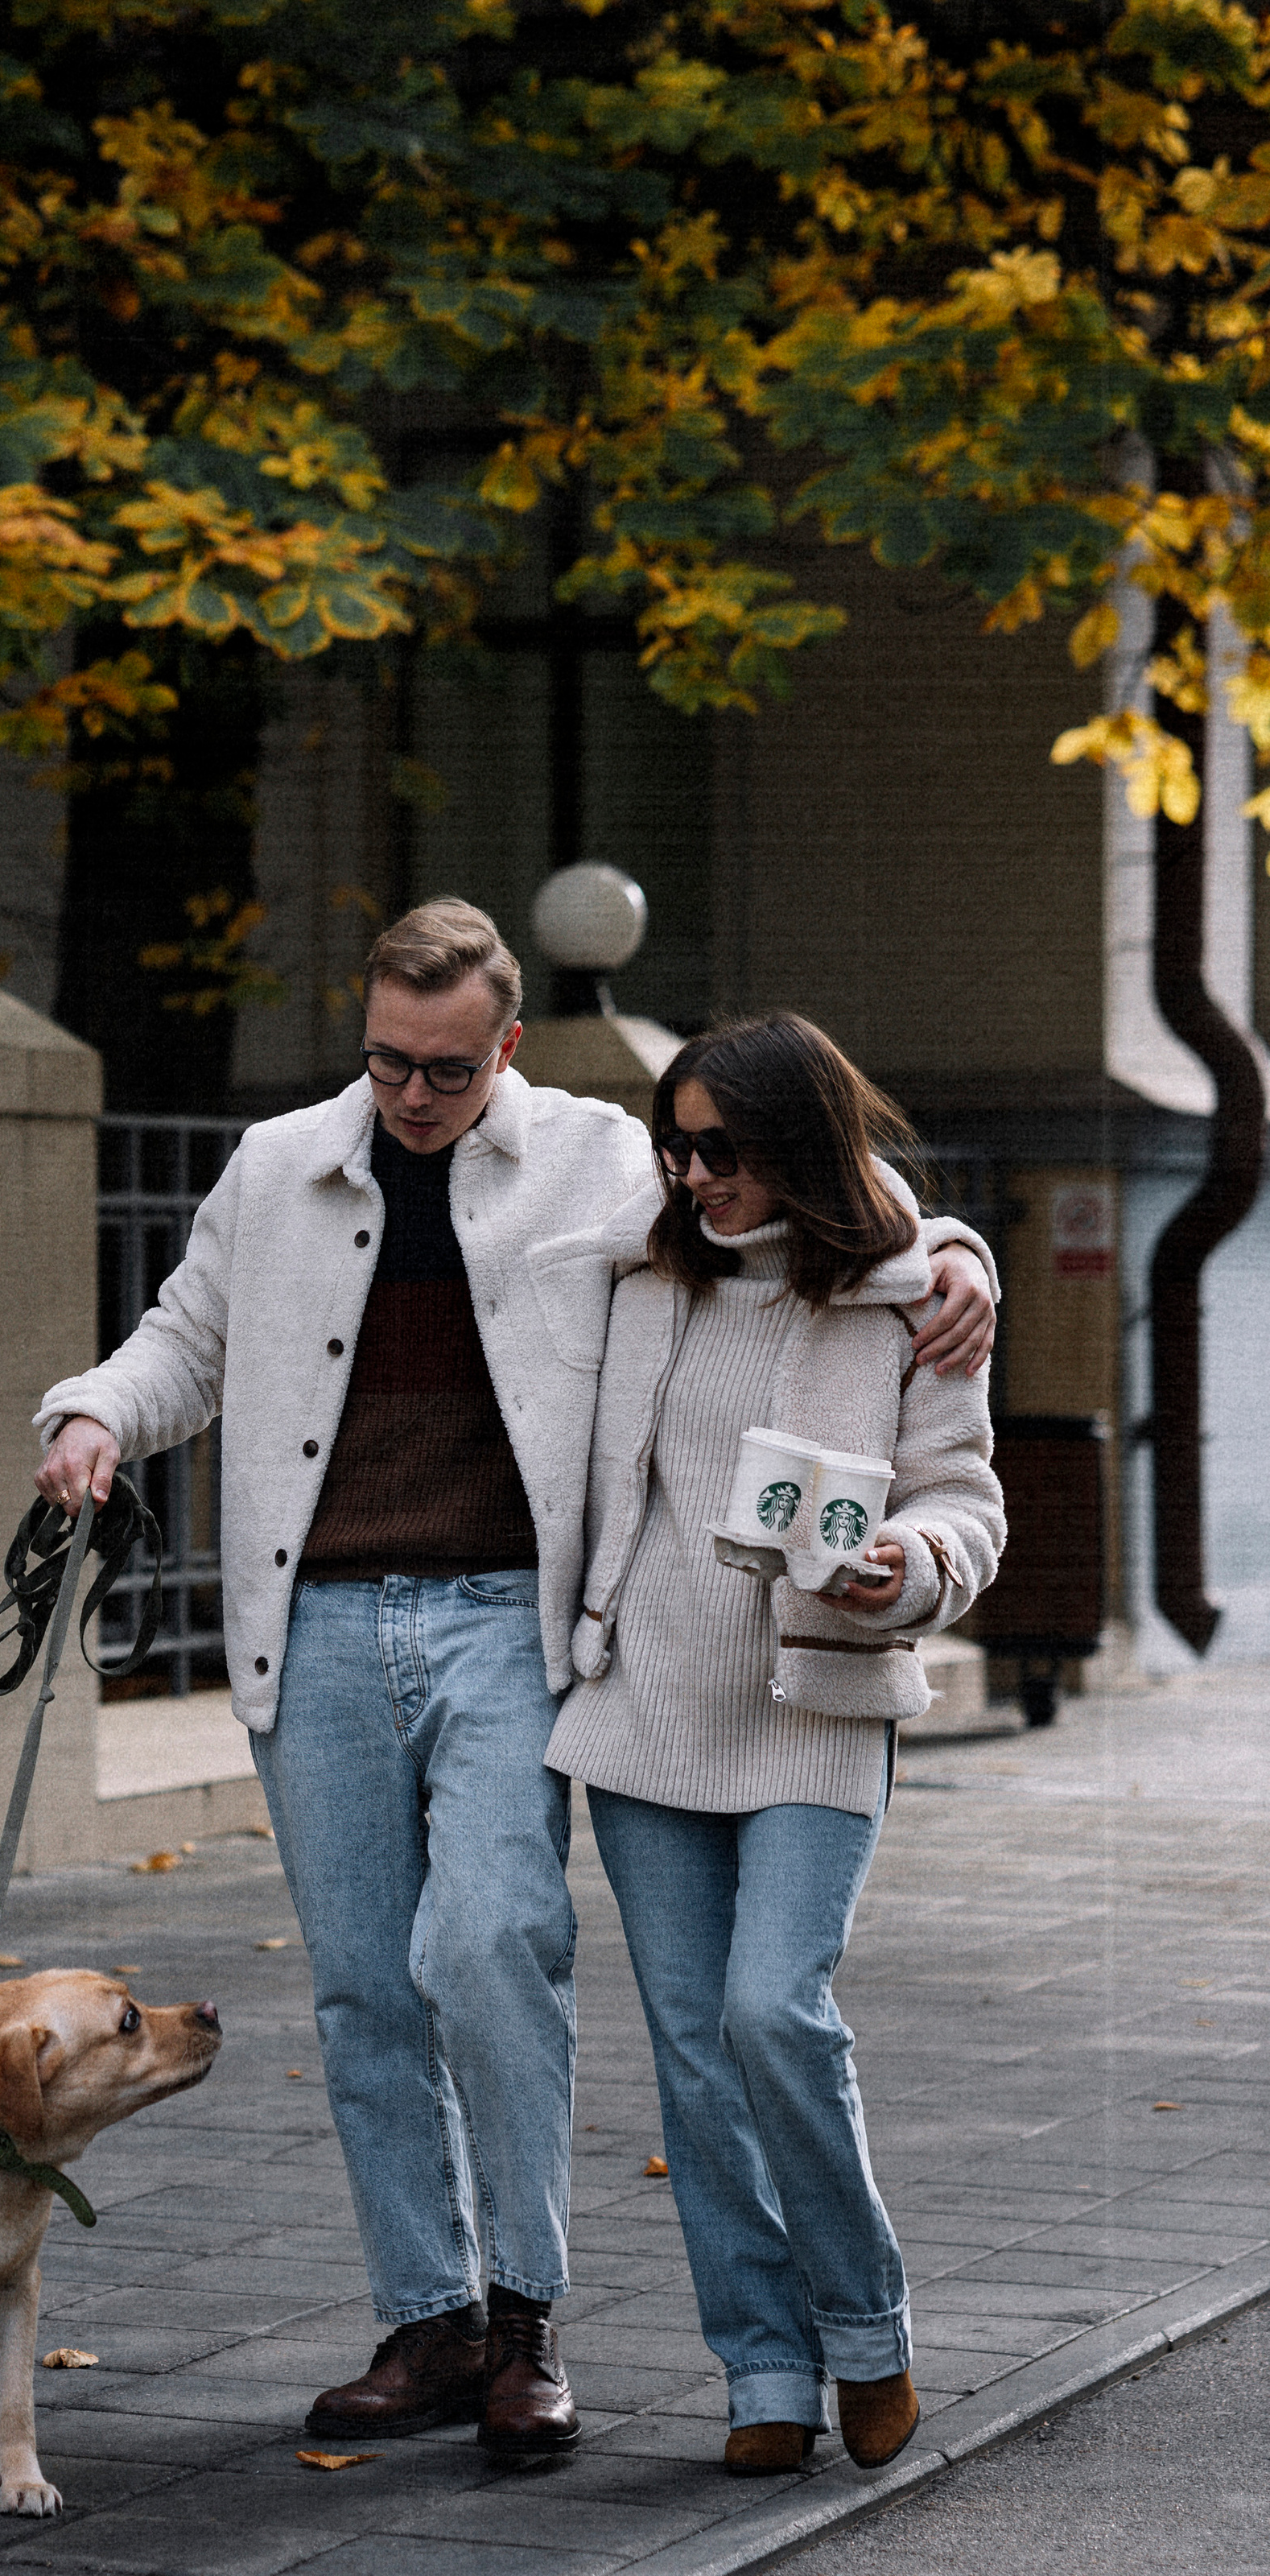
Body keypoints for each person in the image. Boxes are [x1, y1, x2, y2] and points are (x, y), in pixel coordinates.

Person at [33, 906, 995, 2461]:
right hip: (318, 1625)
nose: (413, 1097)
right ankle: (430, 2322)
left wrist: (958, 1255)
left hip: (503, 1618)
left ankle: (527, 2316)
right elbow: (181, 1343)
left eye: (449, 1069)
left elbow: (800, 1195)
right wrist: (92, 1417)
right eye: (387, 1064)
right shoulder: (276, 1170)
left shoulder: (605, 1158)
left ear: (510, 1046)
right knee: (363, 1989)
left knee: (493, 1945)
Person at [542, 1013, 1006, 2478]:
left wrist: (914, 1566)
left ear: (801, 1144)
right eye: (674, 1148)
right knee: (693, 2060)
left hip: (816, 1709)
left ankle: (867, 2330)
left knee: (773, 2016)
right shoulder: (636, 1267)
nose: (693, 1177)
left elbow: (965, 1499)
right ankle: (763, 2365)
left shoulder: (912, 1300)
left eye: (723, 1149)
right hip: (644, 1711)